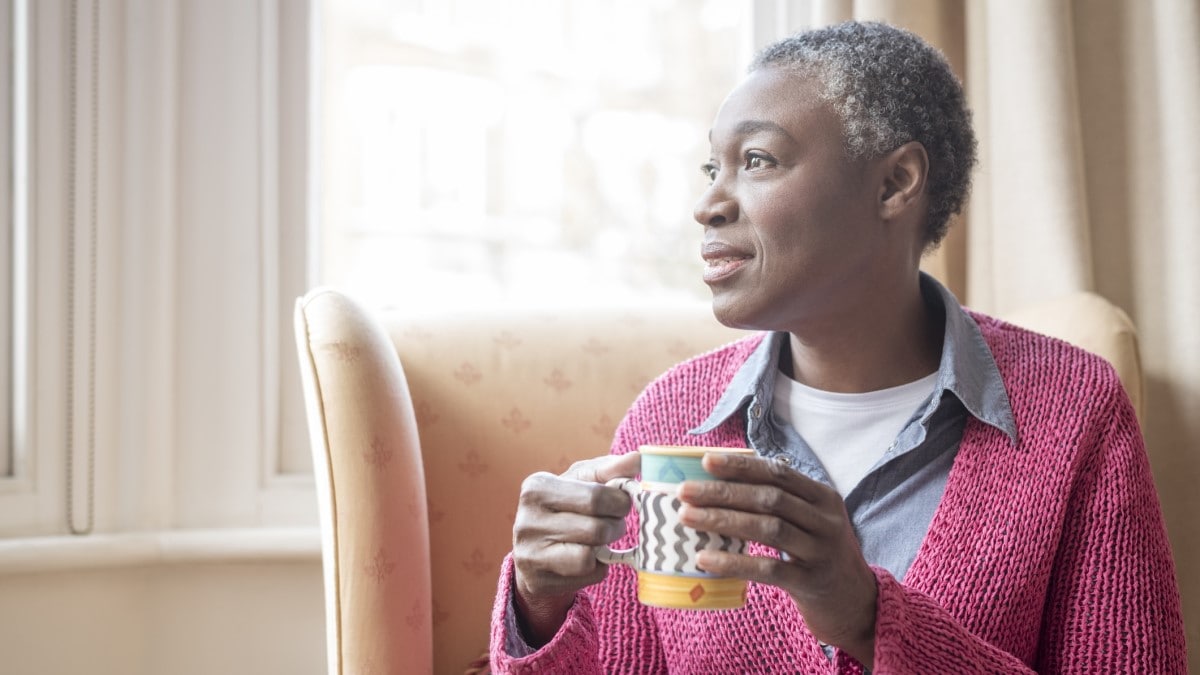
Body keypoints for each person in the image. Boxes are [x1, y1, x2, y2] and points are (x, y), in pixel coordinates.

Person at [488, 20, 1186, 673]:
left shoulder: (1073, 410)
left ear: (894, 183)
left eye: (756, 160)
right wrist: (537, 604)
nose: (709, 204)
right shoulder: (673, 416)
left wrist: (867, 617)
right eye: (712, 169)